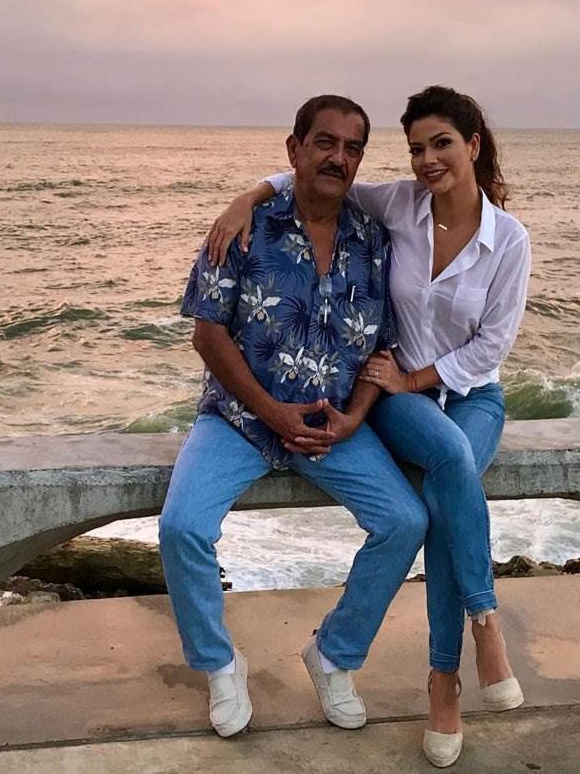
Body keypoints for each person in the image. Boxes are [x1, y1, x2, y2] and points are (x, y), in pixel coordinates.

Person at [207, 86, 531, 767]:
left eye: (441, 144)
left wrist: (415, 377)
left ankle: (447, 679)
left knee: (445, 495)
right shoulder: (400, 205)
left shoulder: (509, 240)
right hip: (401, 398)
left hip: (470, 394)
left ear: (473, 145)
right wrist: (245, 199)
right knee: (448, 463)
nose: (428, 160)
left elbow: (491, 348)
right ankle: (481, 623)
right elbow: (317, 175)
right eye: (416, 149)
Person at [160, 94, 428, 740]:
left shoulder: (373, 241)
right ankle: (220, 664)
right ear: (295, 149)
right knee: (182, 527)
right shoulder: (243, 228)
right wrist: (272, 412)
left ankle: (334, 655)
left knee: (405, 521)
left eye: (353, 148)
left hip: (332, 427)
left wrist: (355, 418)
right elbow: (207, 334)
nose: (339, 157)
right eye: (325, 142)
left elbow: (383, 348)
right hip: (240, 419)